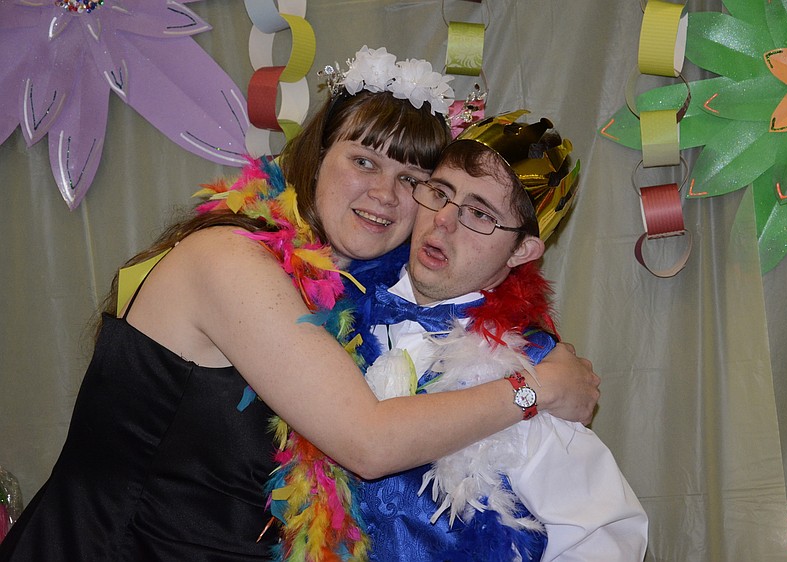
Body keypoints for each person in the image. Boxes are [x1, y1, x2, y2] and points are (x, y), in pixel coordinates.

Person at [0, 47, 600, 561]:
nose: (385, 194)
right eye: (363, 161)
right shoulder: (229, 260)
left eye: (413, 180)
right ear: (316, 156)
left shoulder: (357, 303)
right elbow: (369, 443)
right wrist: (537, 388)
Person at [269, 110, 647, 561]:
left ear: (522, 251)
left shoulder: (533, 370)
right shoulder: (324, 306)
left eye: (479, 214)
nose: (443, 220)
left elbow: (606, 541)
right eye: (440, 193)